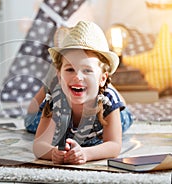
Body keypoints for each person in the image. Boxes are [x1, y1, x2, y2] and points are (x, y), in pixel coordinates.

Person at [31, 20, 133, 165]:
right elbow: (39, 145)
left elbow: (114, 145)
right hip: (66, 102)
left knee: (124, 117)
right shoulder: (56, 101)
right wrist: (53, 152)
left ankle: (107, 85)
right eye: (70, 69)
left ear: (102, 78)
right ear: (59, 76)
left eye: (87, 70)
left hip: (111, 112)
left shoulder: (108, 101)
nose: (78, 76)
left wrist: (86, 153)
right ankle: (56, 80)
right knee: (31, 121)